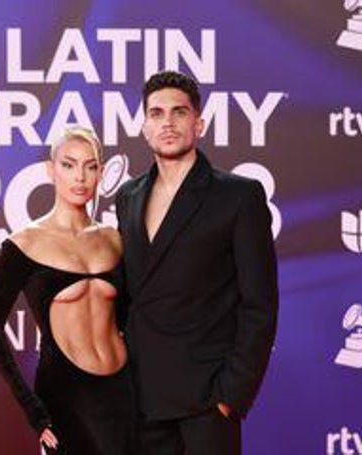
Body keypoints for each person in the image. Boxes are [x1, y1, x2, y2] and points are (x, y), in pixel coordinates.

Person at [115, 71, 279, 454]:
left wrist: (230, 396)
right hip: (141, 398)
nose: (167, 123)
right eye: (156, 113)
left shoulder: (239, 196)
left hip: (206, 403)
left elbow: (260, 305)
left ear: (199, 123)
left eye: (179, 112)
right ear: (144, 127)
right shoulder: (128, 196)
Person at [0, 125, 135, 454]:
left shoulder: (116, 239)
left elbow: (134, 317)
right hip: (66, 397)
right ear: (51, 171)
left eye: (90, 166)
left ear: (102, 173)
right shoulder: (24, 244)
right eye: (69, 165)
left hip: (125, 393)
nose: (80, 177)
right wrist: (32, 409)